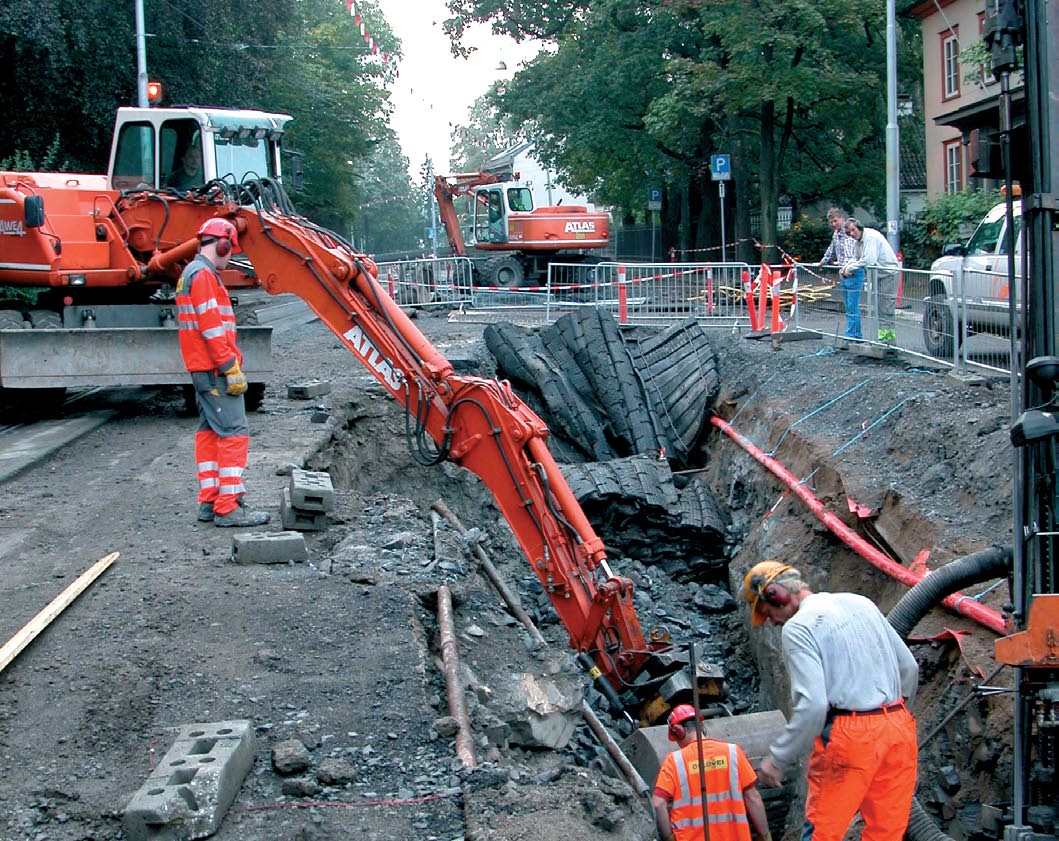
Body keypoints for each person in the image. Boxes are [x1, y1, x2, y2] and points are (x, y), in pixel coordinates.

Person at [741, 561, 919, 841]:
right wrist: (890, 717)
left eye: (767, 612)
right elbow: (909, 668)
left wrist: (777, 759)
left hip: (851, 735)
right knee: (886, 834)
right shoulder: (861, 603)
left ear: (777, 594)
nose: (772, 622)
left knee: (824, 832)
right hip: (899, 728)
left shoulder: (798, 628)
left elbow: (813, 706)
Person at [176, 218, 270, 528]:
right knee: (234, 433)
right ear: (223, 244)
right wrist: (230, 367)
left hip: (202, 369)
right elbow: (212, 328)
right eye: (230, 250)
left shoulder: (191, 274)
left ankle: (209, 500)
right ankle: (227, 507)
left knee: (209, 432)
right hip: (215, 367)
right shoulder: (203, 276)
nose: (230, 257)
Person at [652, 704, 772, 841]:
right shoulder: (732, 752)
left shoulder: (674, 761)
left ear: (678, 731)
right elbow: (753, 798)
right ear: (702, 727)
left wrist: (669, 837)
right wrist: (765, 835)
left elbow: (658, 803)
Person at [841, 218, 901, 344]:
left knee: (886, 308)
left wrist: (849, 269)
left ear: (859, 228)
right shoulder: (859, 242)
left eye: (853, 230)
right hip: (878, 275)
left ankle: (888, 341)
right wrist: (845, 267)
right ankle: (884, 339)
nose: (852, 234)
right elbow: (856, 258)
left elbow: (868, 260)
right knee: (880, 308)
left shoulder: (870, 238)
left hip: (888, 274)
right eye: (849, 232)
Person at [818, 207, 863, 340]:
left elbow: (852, 255)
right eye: (831, 222)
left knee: (852, 306)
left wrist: (847, 268)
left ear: (841, 219)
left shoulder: (849, 233)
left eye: (835, 221)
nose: (833, 224)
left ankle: (851, 335)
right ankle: (856, 335)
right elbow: (831, 250)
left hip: (852, 272)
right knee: (849, 306)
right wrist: (822, 262)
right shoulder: (835, 235)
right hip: (843, 273)